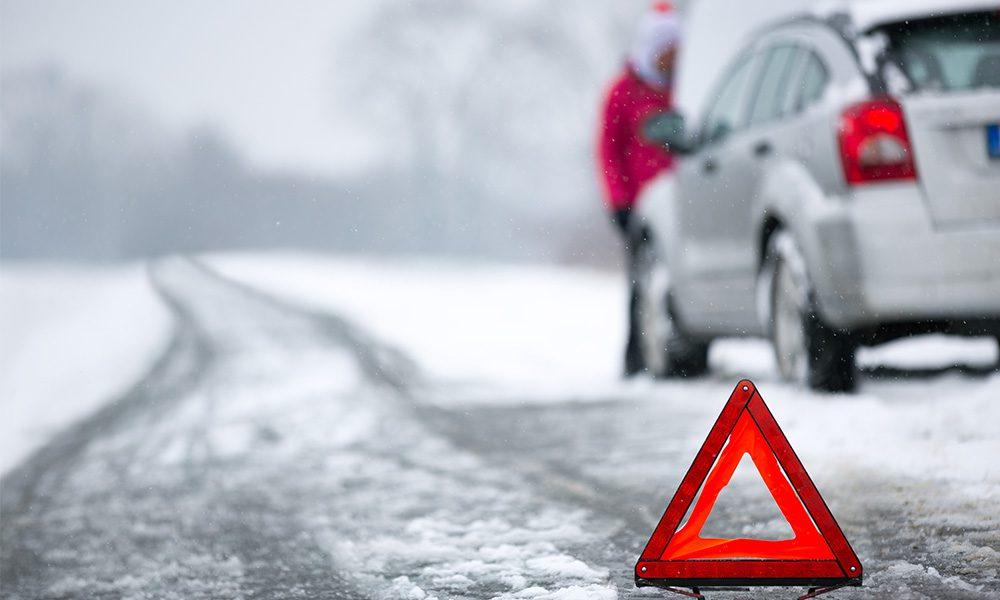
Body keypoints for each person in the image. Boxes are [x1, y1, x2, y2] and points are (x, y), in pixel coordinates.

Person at [597, 2, 682, 376]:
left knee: (677, 277)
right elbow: (608, 151)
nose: (671, 59)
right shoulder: (623, 91)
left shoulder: (683, 87)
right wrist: (619, 202)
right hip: (640, 207)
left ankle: (679, 355)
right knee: (641, 280)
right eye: (666, 51)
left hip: (680, 204)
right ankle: (636, 358)